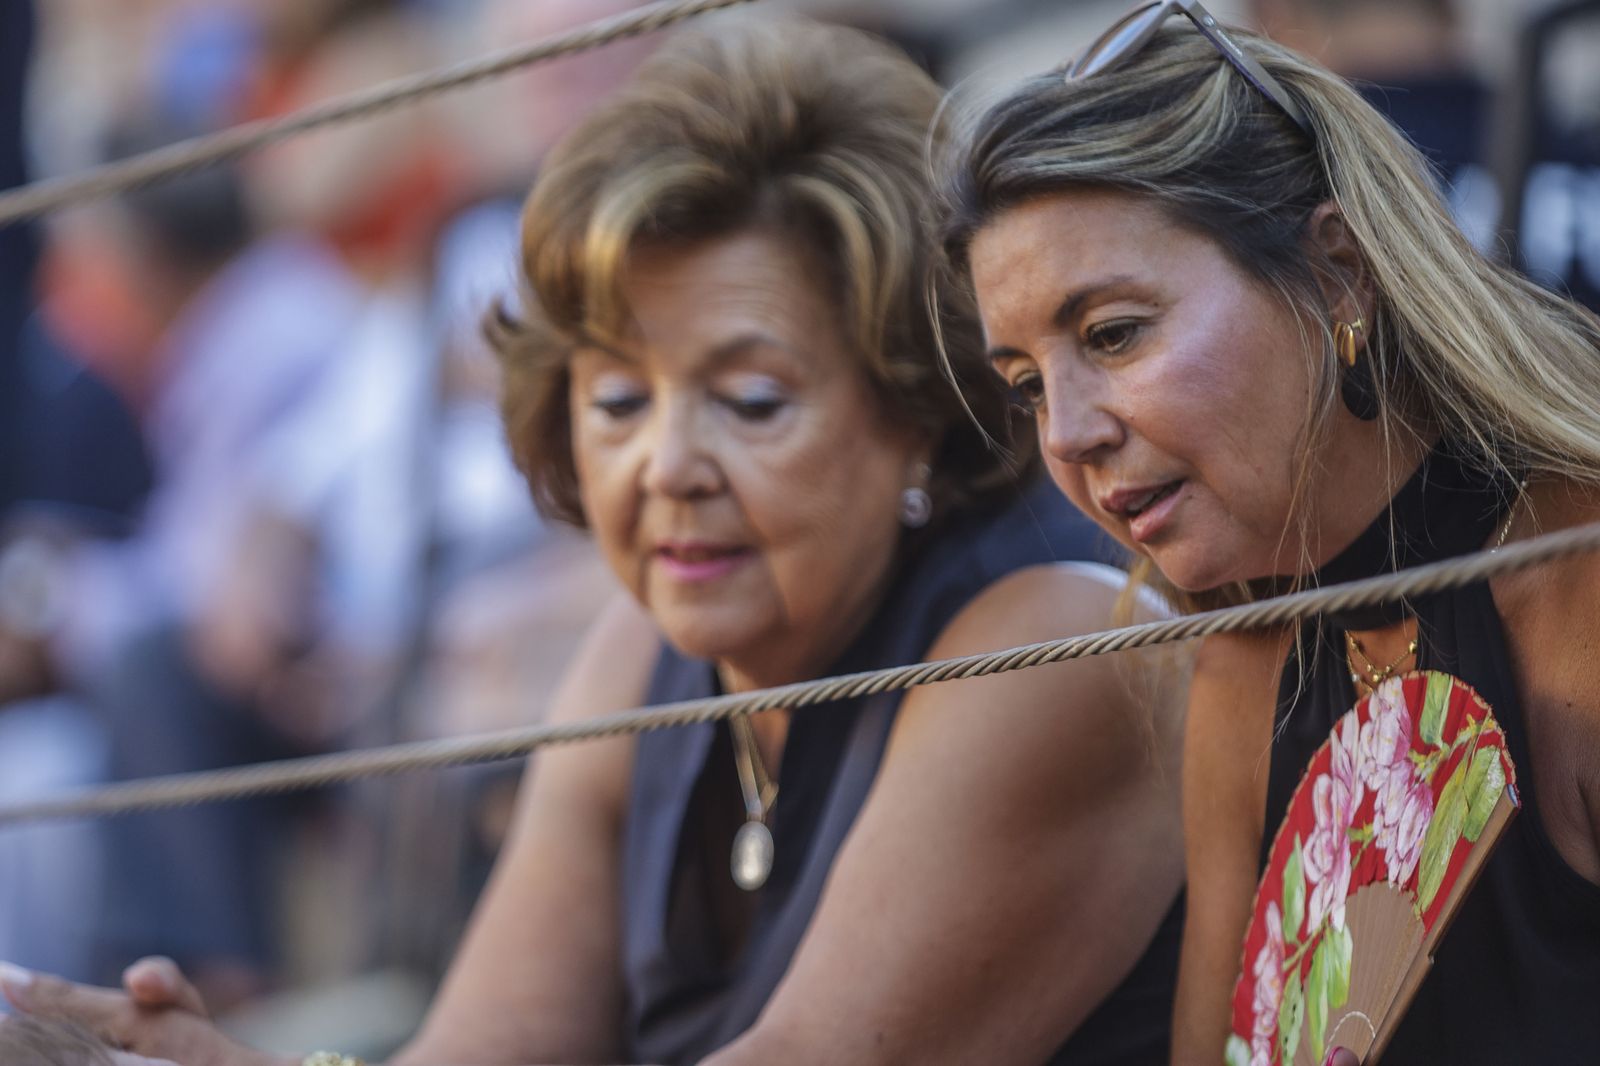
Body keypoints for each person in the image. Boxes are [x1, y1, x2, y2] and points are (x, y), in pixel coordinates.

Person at [0, 18, 1186, 1066]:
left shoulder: (1057, 649)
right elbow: (482, 1052)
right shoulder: (645, 645)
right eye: (618, 402)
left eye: (753, 399)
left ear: (914, 411)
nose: (666, 466)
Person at [939, 6, 1600, 1065]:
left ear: (1336, 271)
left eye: (1112, 334)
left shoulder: (1578, 585)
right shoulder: (1249, 661)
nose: (1065, 435)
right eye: (1023, 387)